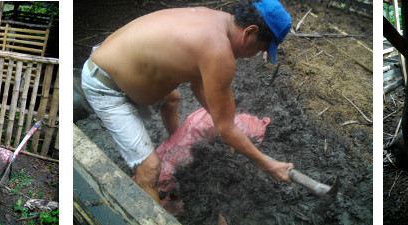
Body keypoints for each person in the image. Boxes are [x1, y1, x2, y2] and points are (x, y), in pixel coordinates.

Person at [80, 0, 294, 200]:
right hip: (106, 85)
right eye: (260, 49)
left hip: (113, 59)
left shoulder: (214, 18)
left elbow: (198, 85)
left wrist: (230, 131)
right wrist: (268, 165)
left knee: (172, 98)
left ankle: (175, 143)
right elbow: (226, 128)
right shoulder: (219, 53)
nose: (256, 54)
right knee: (150, 168)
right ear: (250, 32)